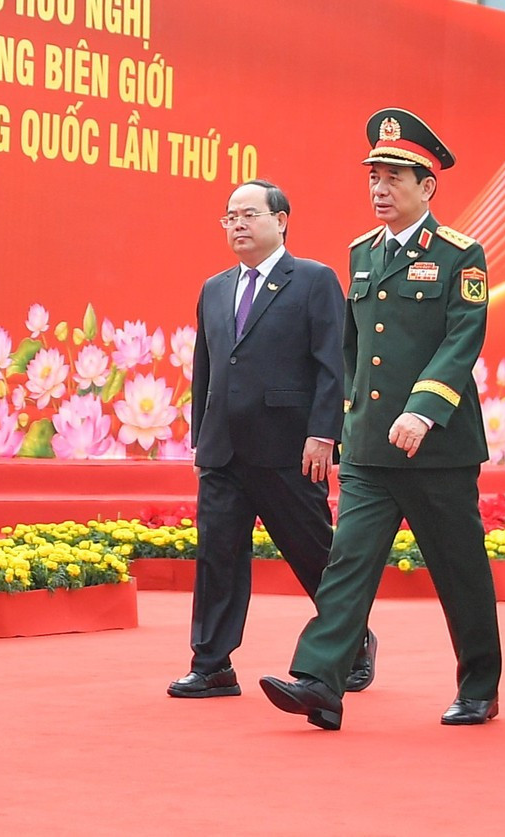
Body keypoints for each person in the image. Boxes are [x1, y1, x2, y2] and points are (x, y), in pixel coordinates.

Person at [261, 109, 501, 731]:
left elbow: (461, 338)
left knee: (458, 569)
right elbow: (352, 347)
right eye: (374, 176)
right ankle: (320, 683)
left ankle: (479, 685)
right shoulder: (362, 253)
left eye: (395, 177)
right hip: (370, 445)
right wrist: (342, 422)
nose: (380, 188)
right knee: (348, 563)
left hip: (437, 448)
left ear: (428, 186)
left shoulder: (460, 254)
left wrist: (422, 412)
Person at [171, 179, 373, 699]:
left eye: (249, 214)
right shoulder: (214, 288)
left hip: (289, 447)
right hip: (223, 450)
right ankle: (211, 663)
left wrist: (324, 433)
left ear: (281, 220)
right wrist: (201, 440)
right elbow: (206, 367)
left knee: (310, 551)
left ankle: (351, 642)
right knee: (218, 554)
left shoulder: (312, 280)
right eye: (229, 217)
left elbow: (334, 364)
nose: (237, 224)